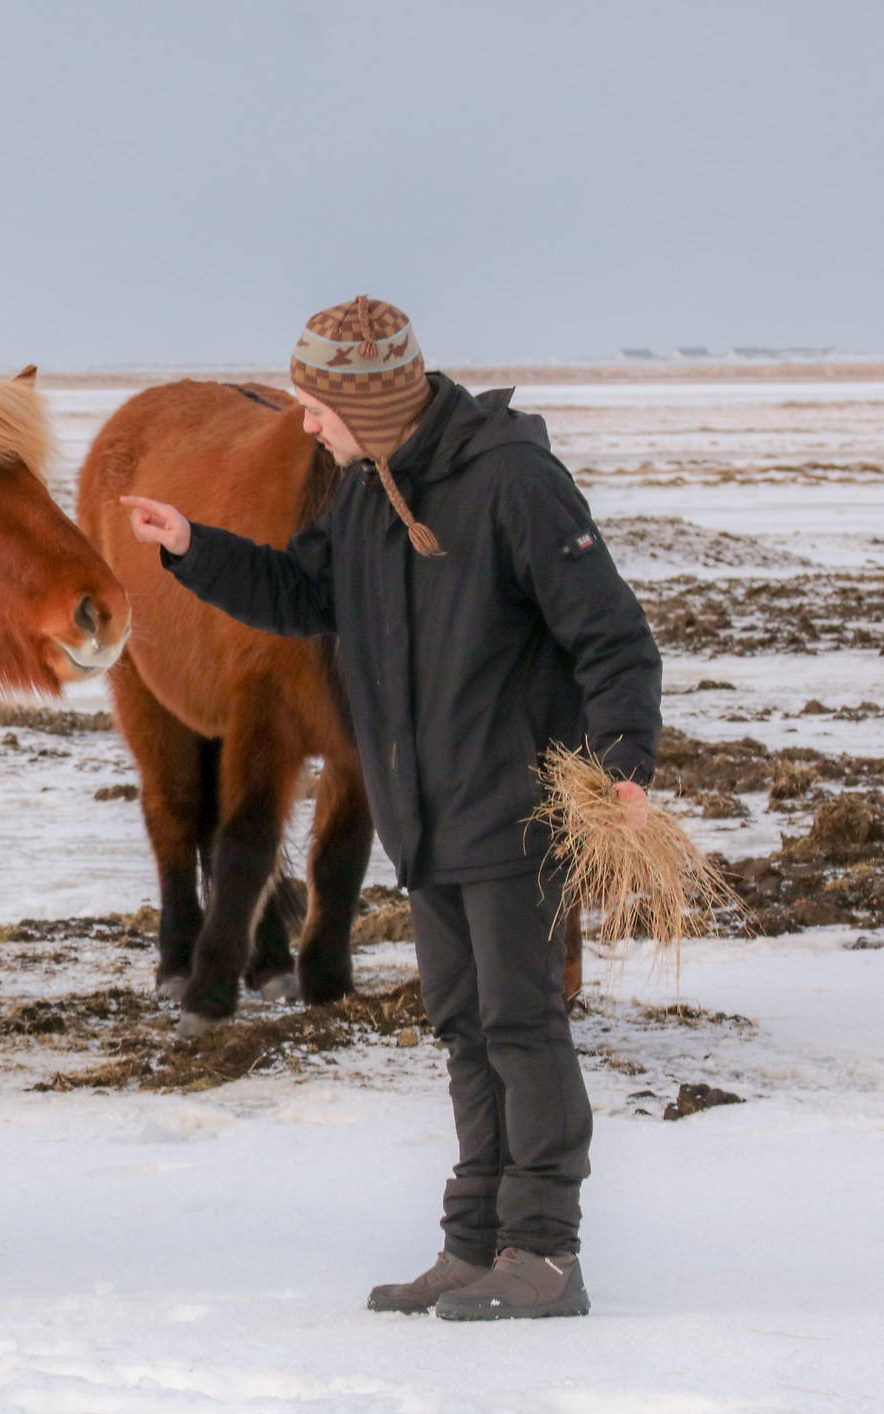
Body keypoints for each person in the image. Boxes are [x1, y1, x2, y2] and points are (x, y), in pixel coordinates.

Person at [119, 296, 660, 1320]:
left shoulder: (514, 482)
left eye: (316, 403)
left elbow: (615, 638)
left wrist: (625, 762)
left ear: (362, 404)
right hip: (432, 819)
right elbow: (300, 594)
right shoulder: (368, 498)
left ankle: (544, 1253)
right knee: (464, 1026)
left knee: (523, 1026)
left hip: (518, 811)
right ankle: (473, 1245)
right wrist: (192, 545)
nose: (303, 421)